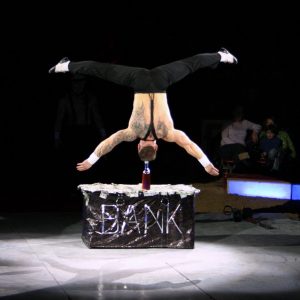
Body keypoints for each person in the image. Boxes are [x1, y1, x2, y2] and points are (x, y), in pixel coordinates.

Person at [49, 48, 238, 177]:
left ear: (156, 147)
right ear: (139, 147)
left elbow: (190, 146)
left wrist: (206, 164)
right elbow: (109, 143)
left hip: (161, 81)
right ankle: (65, 66)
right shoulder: (133, 132)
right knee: (101, 70)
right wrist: (91, 160)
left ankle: (222, 56)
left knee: (191, 64)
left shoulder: (168, 133)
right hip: (138, 81)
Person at [220, 105, 261, 171]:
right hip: (227, 148)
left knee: (239, 156)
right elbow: (224, 138)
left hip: (240, 150)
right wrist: (237, 145)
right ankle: (246, 163)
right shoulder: (228, 123)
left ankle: (237, 167)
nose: (239, 115)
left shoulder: (245, 123)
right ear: (233, 113)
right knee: (241, 152)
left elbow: (258, 126)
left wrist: (254, 133)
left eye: (240, 113)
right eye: (237, 113)